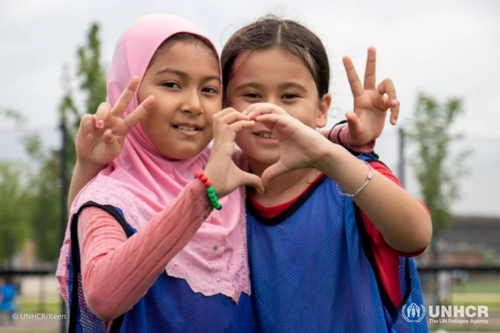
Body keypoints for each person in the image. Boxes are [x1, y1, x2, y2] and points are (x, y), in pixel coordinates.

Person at [56, 13, 376, 332]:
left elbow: (285, 143)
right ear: (127, 93)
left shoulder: (229, 167)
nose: (194, 104)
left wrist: (345, 136)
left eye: (209, 89)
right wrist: (201, 194)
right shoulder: (111, 197)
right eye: (171, 84)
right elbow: (102, 297)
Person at [220, 16, 432, 332]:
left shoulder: (353, 176)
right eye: (252, 95)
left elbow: (416, 236)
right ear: (223, 104)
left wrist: (329, 153)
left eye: (289, 96)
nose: (271, 111)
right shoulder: (219, 187)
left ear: (322, 109)